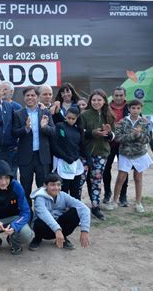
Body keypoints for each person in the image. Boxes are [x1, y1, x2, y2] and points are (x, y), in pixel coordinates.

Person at [104, 100, 153, 213]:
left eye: (138, 108)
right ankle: (114, 202)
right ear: (129, 109)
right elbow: (118, 138)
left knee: (138, 178)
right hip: (125, 154)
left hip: (140, 154)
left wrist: (139, 135)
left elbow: (147, 139)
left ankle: (138, 203)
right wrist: (132, 135)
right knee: (121, 178)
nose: (135, 110)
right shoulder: (122, 122)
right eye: (133, 108)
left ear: (141, 109)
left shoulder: (145, 122)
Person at [12, 87, 54, 206]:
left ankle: (42, 212)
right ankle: (27, 214)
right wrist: (25, 128)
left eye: (33, 95)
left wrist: (44, 127)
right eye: (27, 95)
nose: (30, 98)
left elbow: (53, 131)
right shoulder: (18, 114)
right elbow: (14, 132)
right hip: (25, 157)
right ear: (24, 98)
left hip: (42, 157)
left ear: (37, 97)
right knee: (25, 187)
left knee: (43, 187)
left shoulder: (45, 112)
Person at [29, 173, 90, 251]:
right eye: (52, 185)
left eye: (58, 185)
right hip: (44, 229)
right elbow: (44, 214)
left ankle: (63, 237)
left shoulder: (63, 195)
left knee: (75, 212)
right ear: (45, 185)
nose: (56, 188)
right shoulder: (39, 198)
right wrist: (57, 229)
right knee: (39, 221)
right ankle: (37, 239)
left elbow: (84, 209)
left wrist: (84, 230)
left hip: (59, 227)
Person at [81, 89, 115, 220]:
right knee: (80, 181)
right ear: (90, 101)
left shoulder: (109, 115)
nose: (96, 102)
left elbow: (113, 136)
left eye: (99, 100)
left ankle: (95, 207)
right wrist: (92, 133)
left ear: (104, 101)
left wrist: (108, 133)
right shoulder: (84, 115)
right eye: (94, 100)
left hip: (101, 153)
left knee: (96, 181)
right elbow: (80, 133)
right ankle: (77, 208)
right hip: (85, 154)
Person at [51, 107, 92, 200]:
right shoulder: (59, 126)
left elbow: (82, 146)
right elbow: (54, 145)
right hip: (62, 161)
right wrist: (65, 157)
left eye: (73, 119)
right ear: (65, 116)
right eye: (69, 118)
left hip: (75, 162)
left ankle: (74, 211)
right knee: (63, 190)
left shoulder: (78, 129)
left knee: (75, 190)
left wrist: (88, 158)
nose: (71, 120)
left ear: (77, 118)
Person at [103, 87, 130, 206]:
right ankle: (107, 193)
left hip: (124, 145)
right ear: (112, 96)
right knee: (106, 169)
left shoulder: (130, 107)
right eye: (116, 95)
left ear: (125, 96)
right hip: (109, 144)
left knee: (124, 170)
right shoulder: (106, 107)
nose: (118, 97)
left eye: (121, 95)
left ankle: (123, 196)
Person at [2, 80, 21, 179]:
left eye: (5, 89)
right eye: (1, 89)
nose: (3, 91)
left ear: (12, 92)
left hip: (13, 149)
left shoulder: (17, 107)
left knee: (12, 176)